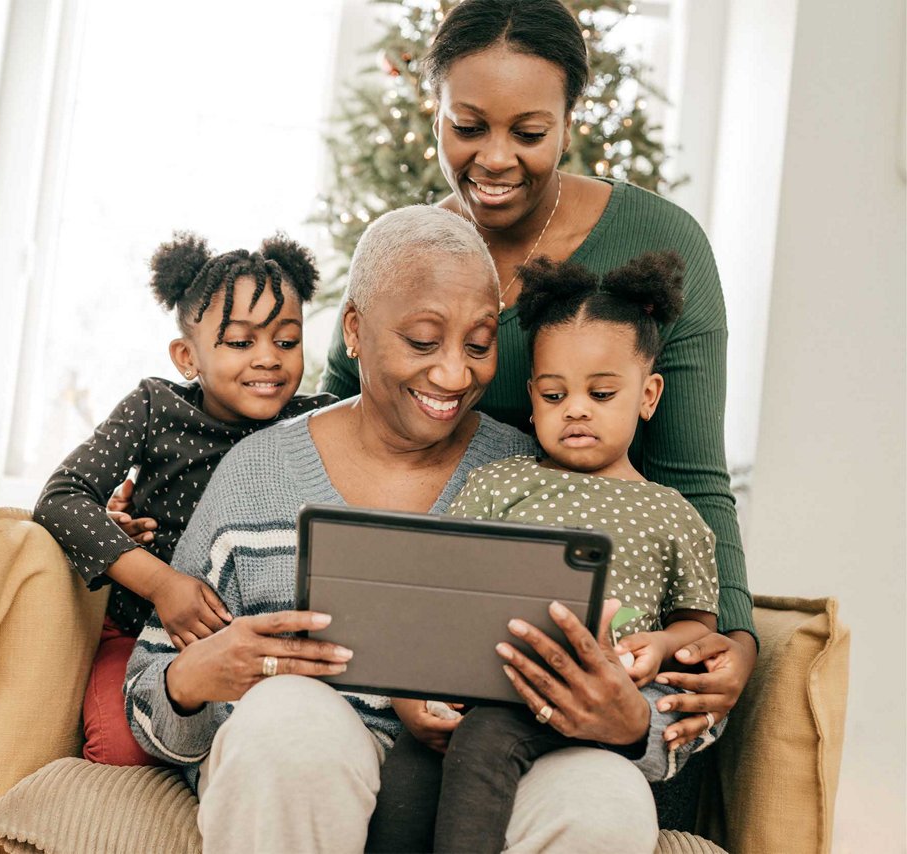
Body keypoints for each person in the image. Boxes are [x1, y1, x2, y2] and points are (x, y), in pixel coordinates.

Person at [126, 206, 690, 854]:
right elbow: (150, 698)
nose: (454, 375)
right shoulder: (257, 473)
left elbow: (659, 664)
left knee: (606, 796)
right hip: (302, 778)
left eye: (479, 345)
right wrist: (195, 677)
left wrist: (633, 724)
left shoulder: (544, 475)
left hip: (487, 785)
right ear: (357, 331)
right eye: (423, 342)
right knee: (288, 720)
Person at [319, 0, 759, 818]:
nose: (494, 159)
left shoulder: (662, 242)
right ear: (436, 110)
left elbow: (696, 482)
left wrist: (733, 638)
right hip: (451, 647)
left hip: (605, 659)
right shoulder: (406, 252)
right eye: (467, 126)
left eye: (529, 132)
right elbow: (333, 430)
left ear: (570, 119)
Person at [368, 251, 729, 853]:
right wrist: (415, 689)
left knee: (485, 738)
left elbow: (699, 626)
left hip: (598, 695)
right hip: (486, 681)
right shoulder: (499, 484)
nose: (578, 409)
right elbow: (438, 582)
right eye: (556, 395)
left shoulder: (672, 513)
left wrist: (662, 644)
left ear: (648, 394)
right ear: (533, 398)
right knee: (411, 767)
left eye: (603, 392)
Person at [33, 232, 333, 765]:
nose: (268, 359)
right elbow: (62, 497)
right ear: (187, 357)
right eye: (241, 343)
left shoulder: (316, 421)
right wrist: (163, 585)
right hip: (140, 633)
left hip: (259, 643)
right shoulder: (156, 407)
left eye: (286, 342)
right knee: (121, 746)